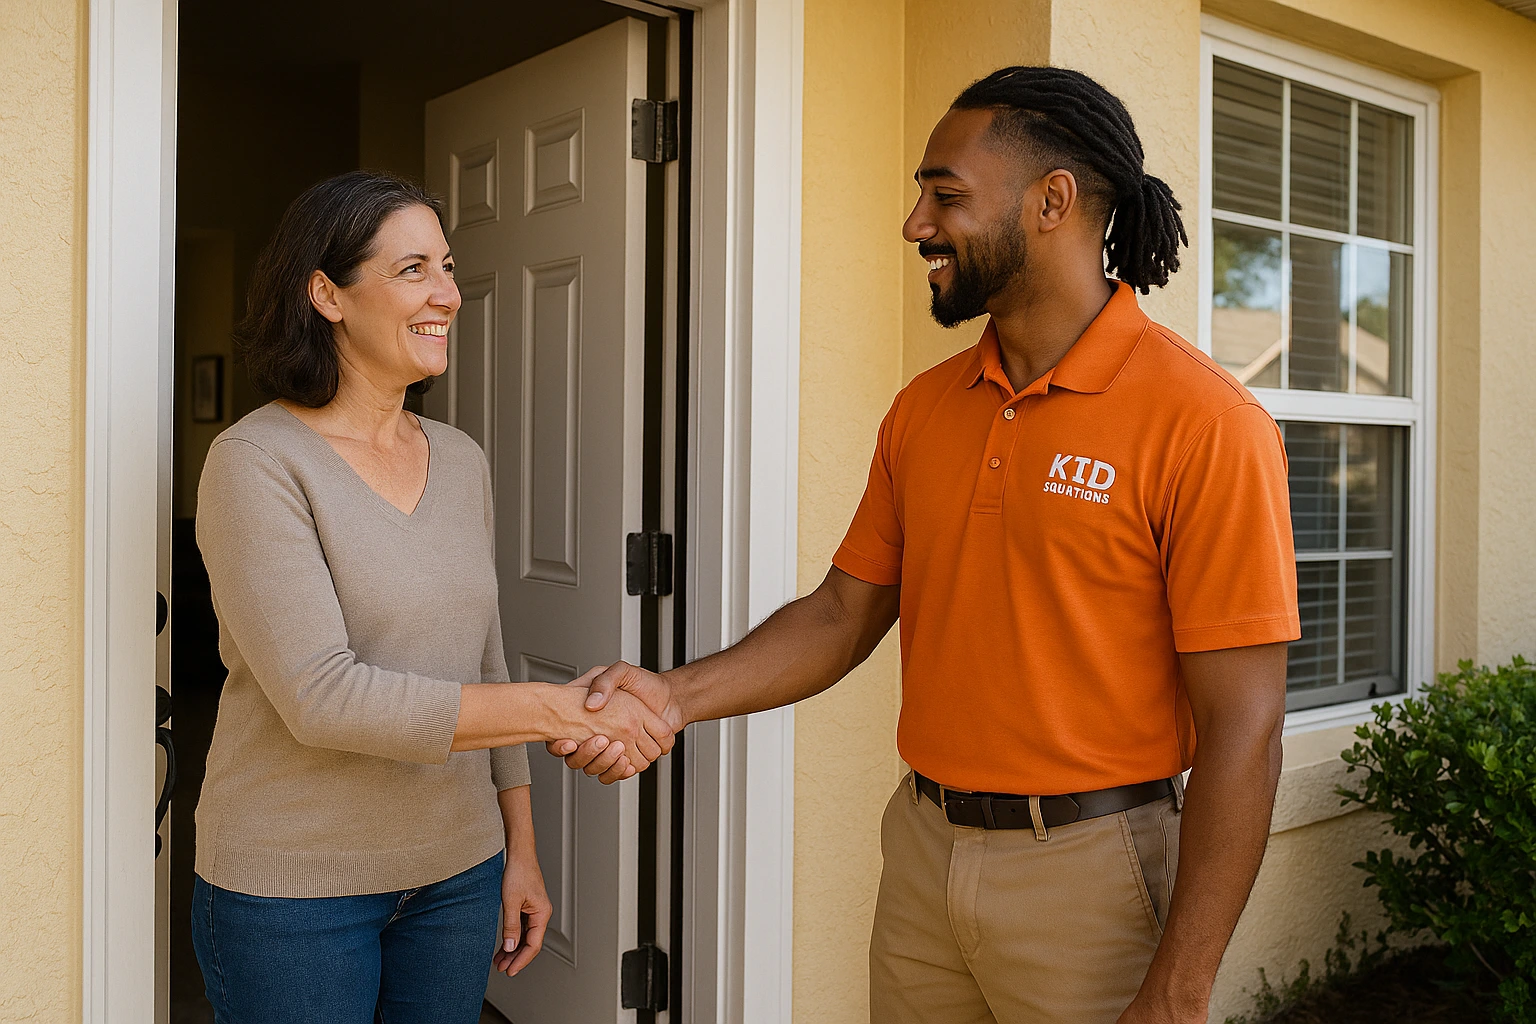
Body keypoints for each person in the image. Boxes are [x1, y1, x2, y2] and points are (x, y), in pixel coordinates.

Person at [554, 68, 1300, 1024]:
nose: (916, 223)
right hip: (922, 853)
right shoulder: (925, 410)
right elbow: (840, 612)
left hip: (1095, 877)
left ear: (1052, 200)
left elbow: (1247, 727)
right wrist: (670, 697)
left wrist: (1181, 985)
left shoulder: (1206, 423)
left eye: (946, 194)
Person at [191, 170, 673, 1024]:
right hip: (296, 896)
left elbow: (482, 658)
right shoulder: (255, 462)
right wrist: (565, 711)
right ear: (326, 293)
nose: (448, 293)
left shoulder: (459, 459)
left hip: (457, 879)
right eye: (413, 269)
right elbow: (320, 697)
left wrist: (516, 850)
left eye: (447, 267)